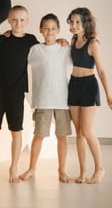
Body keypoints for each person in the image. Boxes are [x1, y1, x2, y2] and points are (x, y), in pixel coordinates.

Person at [0, 5, 38, 184]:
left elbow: (46, 51)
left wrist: (61, 41)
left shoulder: (31, 40)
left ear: (26, 21)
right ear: (8, 21)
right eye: (14, 19)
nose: (17, 23)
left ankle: (13, 168)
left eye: (21, 20)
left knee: (16, 132)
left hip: (17, 93)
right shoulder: (1, 39)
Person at [66, 7, 112, 184]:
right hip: (73, 85)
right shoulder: (73, 40)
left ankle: (99, 168)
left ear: (85, 23)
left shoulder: (93, 43)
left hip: (89, 86)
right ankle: (82, 172)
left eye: (78, 22)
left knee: (87, 130)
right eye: (72, 22)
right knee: (78, 132)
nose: (74, 25)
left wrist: (109, 95)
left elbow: (102, 70)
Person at [19, 13, 73, 183]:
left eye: (53, 28)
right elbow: (16, 56)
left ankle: (62, 170)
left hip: (62, 100)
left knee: (62, 137)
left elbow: (80, 54)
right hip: (43, 100)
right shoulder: (34, 50)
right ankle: (31, 169)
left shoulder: (65, 49)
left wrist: (70, 42)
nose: (50, 31)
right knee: (39, 136)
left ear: (58, 30)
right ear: (40, 30)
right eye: (46, 28)